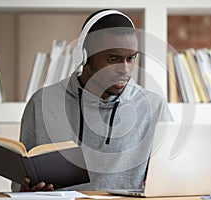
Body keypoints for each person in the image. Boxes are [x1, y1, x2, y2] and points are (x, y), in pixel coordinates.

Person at [12, 9, 172, 192]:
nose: (125, 69)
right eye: (114, 59)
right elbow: (19, 184)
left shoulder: (153, 107)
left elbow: (172, 180)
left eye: (131, 58)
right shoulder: (41, 103)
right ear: (85, 56)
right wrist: (26, 191)